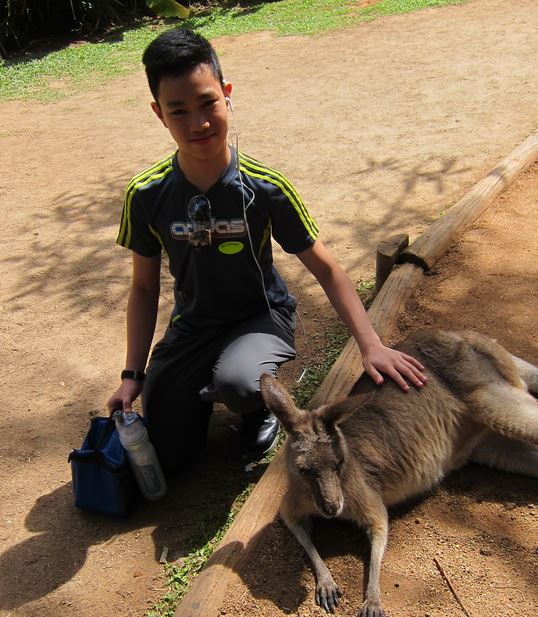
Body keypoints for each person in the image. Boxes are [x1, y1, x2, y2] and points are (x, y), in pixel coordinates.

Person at [108, 29, 426, 474]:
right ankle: (193, 396)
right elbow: (142, 290)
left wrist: (371, 346)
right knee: (171, 456)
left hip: (260, 316)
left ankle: (255, 408)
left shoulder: (264, 187)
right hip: (193, 324)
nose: (198, 123)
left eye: (208, 103)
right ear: (159, 114)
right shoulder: (147, 194)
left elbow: (327, 268)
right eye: (178, 111)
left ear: (227, 94)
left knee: (238, 383)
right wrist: (132, 376)